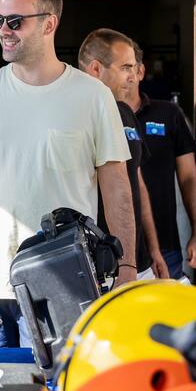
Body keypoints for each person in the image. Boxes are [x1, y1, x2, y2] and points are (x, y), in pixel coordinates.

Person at [0, 0, 135, 348]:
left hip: (62, 282)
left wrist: (127, 266)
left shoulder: (92, 96)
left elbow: (116, 184)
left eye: (15, 21)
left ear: (49, 23)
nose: (4, 30)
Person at [78, 28, 170, 280]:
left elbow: (136, 184)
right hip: (96, 266)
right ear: (96, 69)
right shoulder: (74, 115)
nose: (134, 76)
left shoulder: (124, 112)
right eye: (126, 67)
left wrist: (153, 251)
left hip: (135, 262)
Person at [130, 45, 196, 280]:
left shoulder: (169, 114)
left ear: (141, 71)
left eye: (128, 67)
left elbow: (189, 177)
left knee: (167, 316)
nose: (124, 75)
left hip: (166, 248)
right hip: (113, 251)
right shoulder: (97, 116)